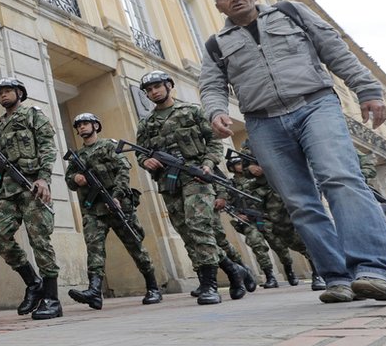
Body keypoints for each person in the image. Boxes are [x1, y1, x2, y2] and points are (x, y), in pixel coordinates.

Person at [200, 0, 386, 303]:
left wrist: (367, 90)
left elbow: (334, 49)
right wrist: (215, 111)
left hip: (315, 105)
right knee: (299, 203)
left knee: (341, 179)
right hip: (263, 122)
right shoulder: (216, 44)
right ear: (219, 4)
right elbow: (211, 86)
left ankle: (377, 269)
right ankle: (337, 276)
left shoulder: (290, 12)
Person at [134, 71, 250, 305]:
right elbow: (140, 152)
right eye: (148, 90)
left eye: (157, 86)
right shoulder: (146, 123)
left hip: (196, 179)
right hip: (169, 183)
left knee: (200, 228)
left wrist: (207, 165)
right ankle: (233, 270)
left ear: (168, 86)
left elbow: (214, 143)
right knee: (187, 233)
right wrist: (145, 161)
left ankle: (209, 286)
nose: (153, 92)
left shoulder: (191, 111)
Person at [0, 77, 62, 320]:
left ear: (19, 93)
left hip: (32, 185)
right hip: (7, 189)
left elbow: (47, 145)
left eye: (7, 91)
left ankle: (52, 299)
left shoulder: (33, 115)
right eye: (0, 93)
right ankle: (33, 282)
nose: (3, 96)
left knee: (40, 241)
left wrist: (44, 178)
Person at [64, 113, 161, 310]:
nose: (82, 127)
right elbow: (69, 180)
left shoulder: (109, 146)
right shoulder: (78, 156)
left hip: (117, 205)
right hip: (93, 210)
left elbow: (123, 171)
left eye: (86, 124)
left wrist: (116, 196)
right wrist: (76, 178)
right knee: (94, 248)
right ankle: (94, 291)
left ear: (96, 126)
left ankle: (153, 287)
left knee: (134, 244)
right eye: (79, 125)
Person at [239, 141, 320, 289]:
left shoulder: (281, 135)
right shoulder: (248, 146)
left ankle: (318, 271)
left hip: (287, 187)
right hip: (268, 195)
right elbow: (244, 171)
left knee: (299, 232)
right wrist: (251, 169)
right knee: (285, 236)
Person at [221, 157, 278, 288]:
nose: (241, 166)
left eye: (241, 163)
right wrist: (237, 214)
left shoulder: (257, 179)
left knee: (278, 245)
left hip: (266, 217)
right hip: (249, 221)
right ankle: (270, 276)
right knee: (258, 245)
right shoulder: (230, 184)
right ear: (231, 167)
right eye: (238, 164)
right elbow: (228, 204)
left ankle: (289, 269)